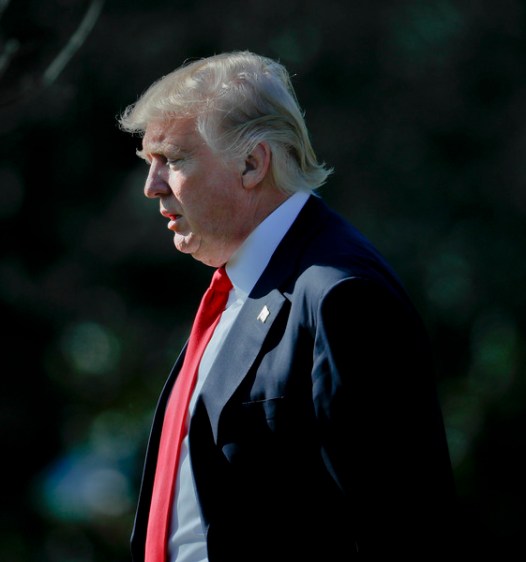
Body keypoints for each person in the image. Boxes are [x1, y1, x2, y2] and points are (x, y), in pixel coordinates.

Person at [118, 51, 456, 560]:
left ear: (252, 164)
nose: (152, 186)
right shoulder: (238, 287)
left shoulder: (342, 295)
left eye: (174, 160)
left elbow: (400, 527)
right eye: (150, 163)